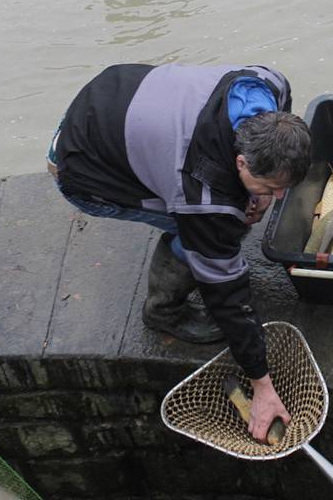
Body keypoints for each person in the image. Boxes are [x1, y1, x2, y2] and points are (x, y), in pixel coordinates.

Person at [47, 63, 311, 440]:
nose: (280, 196)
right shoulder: (203, 195)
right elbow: (228, 296)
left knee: (217, 217)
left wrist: (260, 193)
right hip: (83, 166)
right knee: (212, 230)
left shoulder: (267, 84)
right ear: (241, 161)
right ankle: (163, 310)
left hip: (110, 97)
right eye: (271, 186)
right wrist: (262, 384)